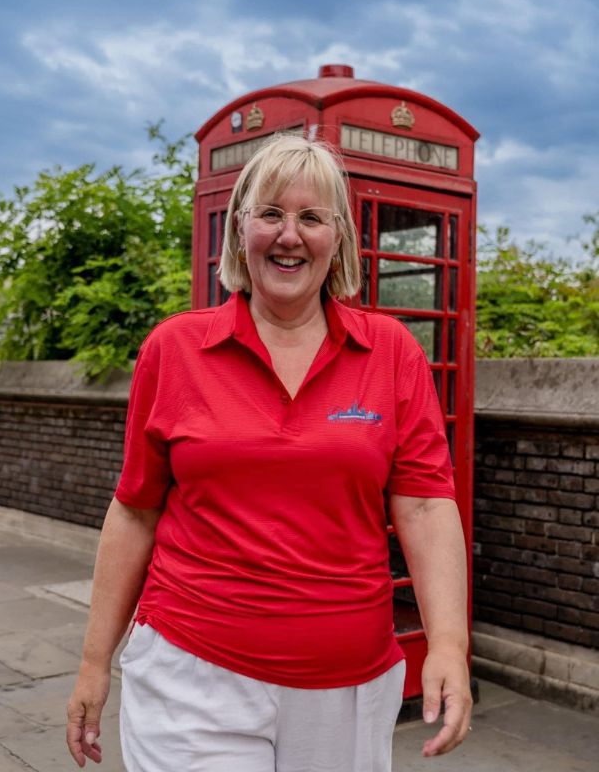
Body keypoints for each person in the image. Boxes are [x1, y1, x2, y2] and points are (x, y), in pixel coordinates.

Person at [66, 133, 472, 772]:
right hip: (190, 672)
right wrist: (94, 663)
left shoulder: (393, 352)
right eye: (271, 214)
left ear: (337, 238)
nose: (290, 235)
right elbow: (136, 510)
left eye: (312, 217)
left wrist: (448, 643)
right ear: (239, 230)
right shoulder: (174, 350)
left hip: (347, 685)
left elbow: (424, 507)